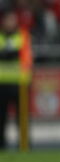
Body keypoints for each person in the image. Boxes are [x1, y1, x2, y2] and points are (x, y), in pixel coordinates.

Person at [0, 9, 31, 149]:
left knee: (22, 117)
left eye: (12, 20)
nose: (10, 23)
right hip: (1, 83)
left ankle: (24, 145)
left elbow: (27, 58)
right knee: (1, 117)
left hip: (20, 83)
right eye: (8, 20)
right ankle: (1, 146)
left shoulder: (22, 36)